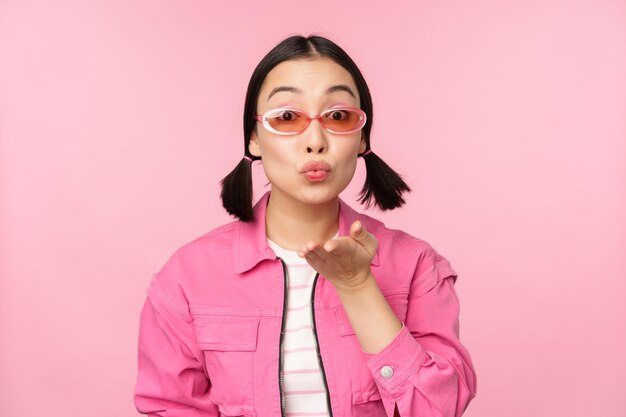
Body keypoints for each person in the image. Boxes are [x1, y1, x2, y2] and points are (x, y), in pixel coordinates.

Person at [134, 34, 477, 417]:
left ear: (362, 136)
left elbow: (439, 408)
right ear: (254, 138)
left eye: (338, 116)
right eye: (287, 117)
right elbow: (170, 407)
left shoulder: (416, 266)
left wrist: (358, 286)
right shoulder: (186, 278)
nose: (315, 141)